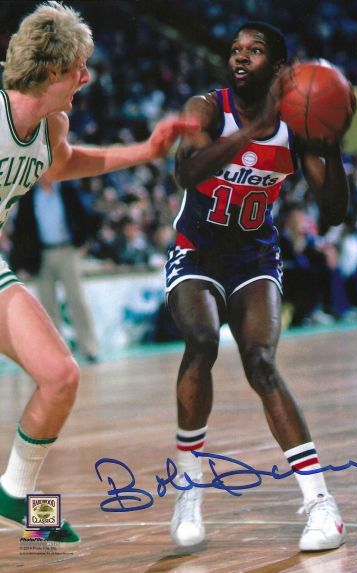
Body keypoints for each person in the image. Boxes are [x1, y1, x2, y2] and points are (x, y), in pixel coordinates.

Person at [0, 1, 198, 545]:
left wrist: (147, 151)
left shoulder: (52, 125)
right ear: (51, 70)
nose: (86, 78)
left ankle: (14, 493)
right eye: (78, 68)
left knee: (61, 376)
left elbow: (63, 164)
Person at [165, 21, 352, 552]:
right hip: (196, 253)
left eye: (255, 50)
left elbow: (333, 211)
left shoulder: (295, 126)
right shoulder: (207, 108)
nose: (240, 57)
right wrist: (250, 133)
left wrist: (332, 147)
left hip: (254, 259)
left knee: (261, 364)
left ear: (279, 67)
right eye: (235, 49)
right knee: (202, 342)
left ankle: (322, 504)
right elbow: (186, 172)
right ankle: (189, 488)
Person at [10, 175, 100, 362]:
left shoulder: (68, 189)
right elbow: (21, 230)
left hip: (67, 250)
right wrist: (20, 263)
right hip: (41, 255)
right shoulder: (28, 195)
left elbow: (86, 215)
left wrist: (82, 242)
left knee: (76, 299)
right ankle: (58, 353)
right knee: (47, 305)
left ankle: (89, 347)